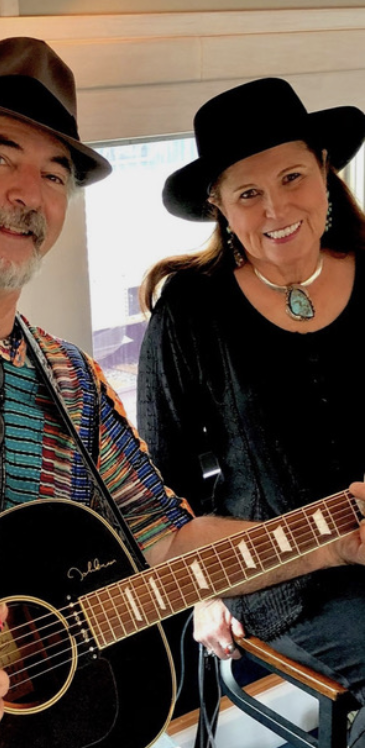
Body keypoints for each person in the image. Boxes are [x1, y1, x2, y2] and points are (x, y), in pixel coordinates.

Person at [0, 43, 363, 748]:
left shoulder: (71, 383)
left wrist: (337, 540)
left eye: (53, 174)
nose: (28, 195)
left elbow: (169, 542)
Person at [137, 77, 365, 744]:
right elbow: (162, 484)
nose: (276, 208)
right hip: (282, 581)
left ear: (324, 169)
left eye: (292, 177)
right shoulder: (190, 311)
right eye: (248, 193)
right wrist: (204, 588)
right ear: (220, 207)